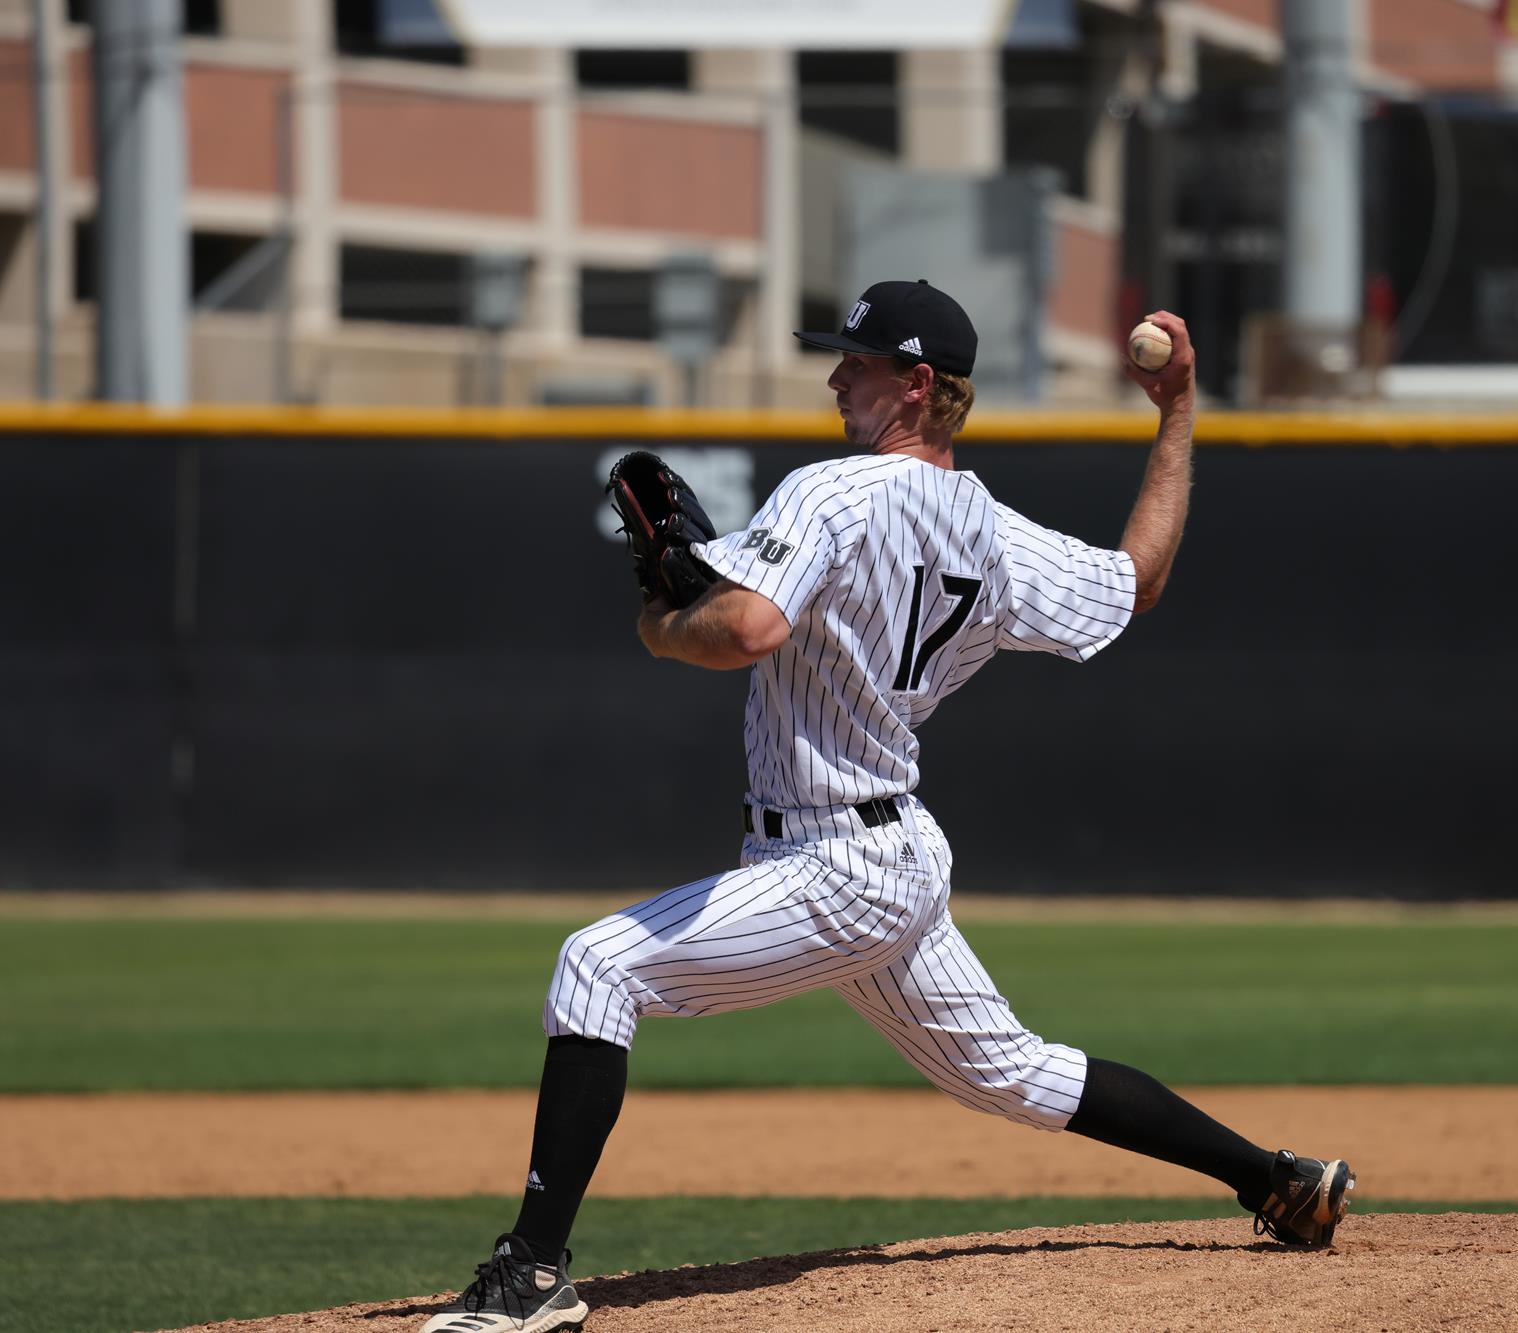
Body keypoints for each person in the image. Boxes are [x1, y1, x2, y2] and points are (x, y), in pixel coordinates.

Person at [423, 280, 1353, 1333]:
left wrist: (660, 618)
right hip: (893, 851)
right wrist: (1177, 410)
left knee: (597, 966)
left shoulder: (833, 493)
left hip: (830, 864)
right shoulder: (989, 531)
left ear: (915, 386)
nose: (833, 377)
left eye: (854, 363)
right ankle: (1275, 1179)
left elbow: (745, 633)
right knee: (1013, 1072)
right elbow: (1136, 580)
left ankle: (530, 1274)